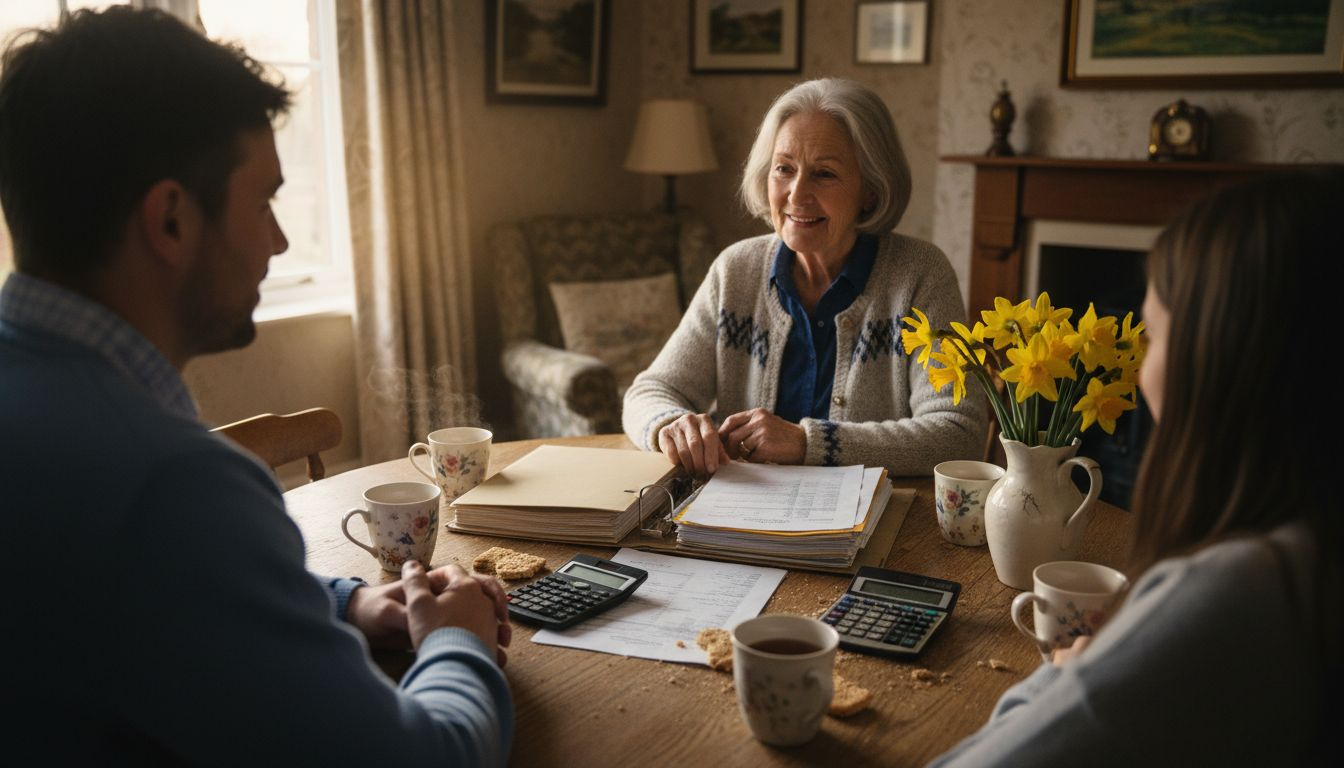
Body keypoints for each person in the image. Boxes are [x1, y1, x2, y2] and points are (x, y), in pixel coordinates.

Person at [0, 8, 511, 764]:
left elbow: (154, 601)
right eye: (264, 201)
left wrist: (351, 603)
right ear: (171, 220)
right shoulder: (171, 487)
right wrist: (459, 642)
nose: (276, 242)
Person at [931, 169, 1342, 766]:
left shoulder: (1237, 592)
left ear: (1215, 358)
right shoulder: (1312, 549)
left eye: (1151, 336)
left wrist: (1065, 677)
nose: (1140, 369)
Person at [622, 78, 986, 476]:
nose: (796, 195)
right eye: (784, 169)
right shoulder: (735, 270)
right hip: (736, 513)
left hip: (870, 526)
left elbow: (957, 433)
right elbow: (649, 392)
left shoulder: (920, 275)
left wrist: (807, 443)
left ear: (871, 189)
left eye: (824, 174)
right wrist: (670, 425)